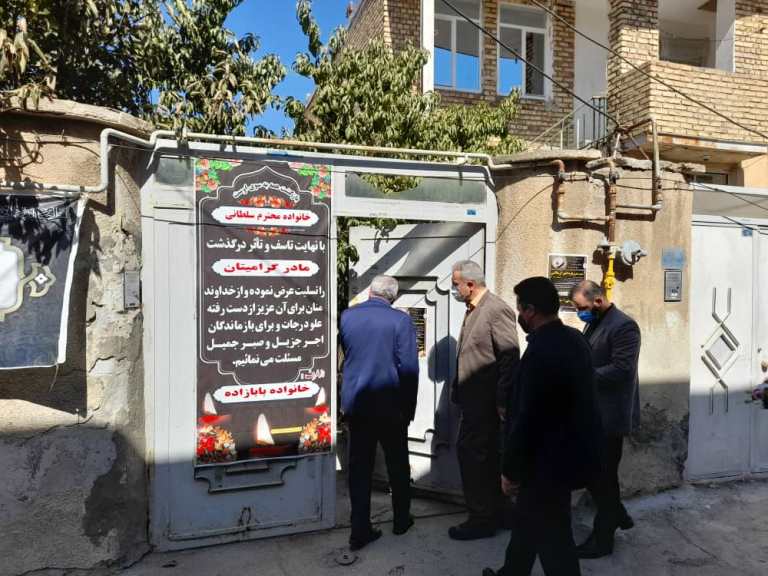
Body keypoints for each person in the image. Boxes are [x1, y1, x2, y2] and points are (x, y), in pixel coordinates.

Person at [484, 277, 602, 576]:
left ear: (530, 310)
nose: (519, 316)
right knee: (526, 524)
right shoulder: (574, 340)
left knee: (554, 540)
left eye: (520, 309)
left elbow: (529, 418)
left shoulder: (541, 351)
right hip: (566, 455)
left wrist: (510, 470)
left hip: (544, 464)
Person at [340, 275, 419, 551]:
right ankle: (401, 521)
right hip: (391, 409)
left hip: (358, 407)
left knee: (359, 470)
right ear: (393, 297)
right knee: (398, 466)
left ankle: (359, 530)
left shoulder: (347, 317)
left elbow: (348, 357)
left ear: (371, 292)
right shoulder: (400, 321)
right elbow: (409, 369)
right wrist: (409, 409)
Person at [569, 280, 641, 559]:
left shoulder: (624, 326)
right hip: (593, 414)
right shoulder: (596, 322)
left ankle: (602, 539)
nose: (580, 313)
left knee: (604, 477)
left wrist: (582, 375)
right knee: (596, 475)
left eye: (581, 308)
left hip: (610, 417)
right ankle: (617, 513)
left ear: (597, 301)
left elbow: (622, 369)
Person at [449, 260, 520, 540]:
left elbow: (509, 357)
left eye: (455, 284)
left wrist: (502, 400)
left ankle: (481, 519)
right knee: (485, 458)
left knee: (474, 457)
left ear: (470, 284)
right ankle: (498, 513)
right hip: (474, 402)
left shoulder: (495, 309)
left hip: (487, 404)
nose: (453, 289)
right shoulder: (473, 308)